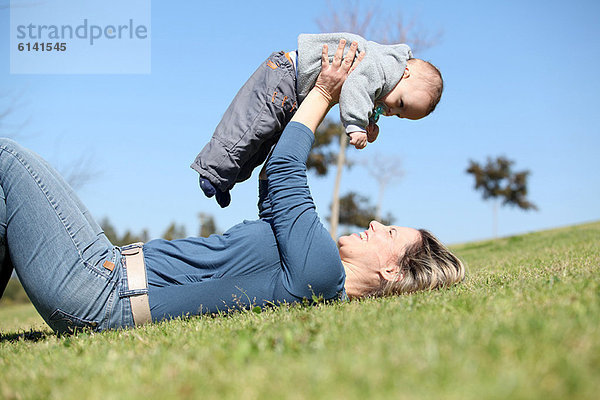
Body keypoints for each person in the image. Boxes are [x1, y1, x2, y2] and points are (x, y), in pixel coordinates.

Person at [0, 40, 463, 335]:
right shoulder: (310, 272)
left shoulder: (323, 275)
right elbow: (272, 186)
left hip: (103, 289)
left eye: (390, 235)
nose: (377, 224)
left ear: (392, 273)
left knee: (7, 156)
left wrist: (324, 93)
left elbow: (283, 174)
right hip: (107, 280)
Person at [190, 32, 443, 207]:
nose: (391, 110)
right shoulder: (382, 66)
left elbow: (365, 98)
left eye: (398, 115)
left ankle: (227, 179)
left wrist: (370, 124)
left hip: (295, 93)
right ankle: (213, 171)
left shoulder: (384, 85)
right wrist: (355, 125)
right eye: (400, 104)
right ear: (405, 72)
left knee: (262, 144)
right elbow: (356, 86)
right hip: (286, 76)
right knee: (249, 127)